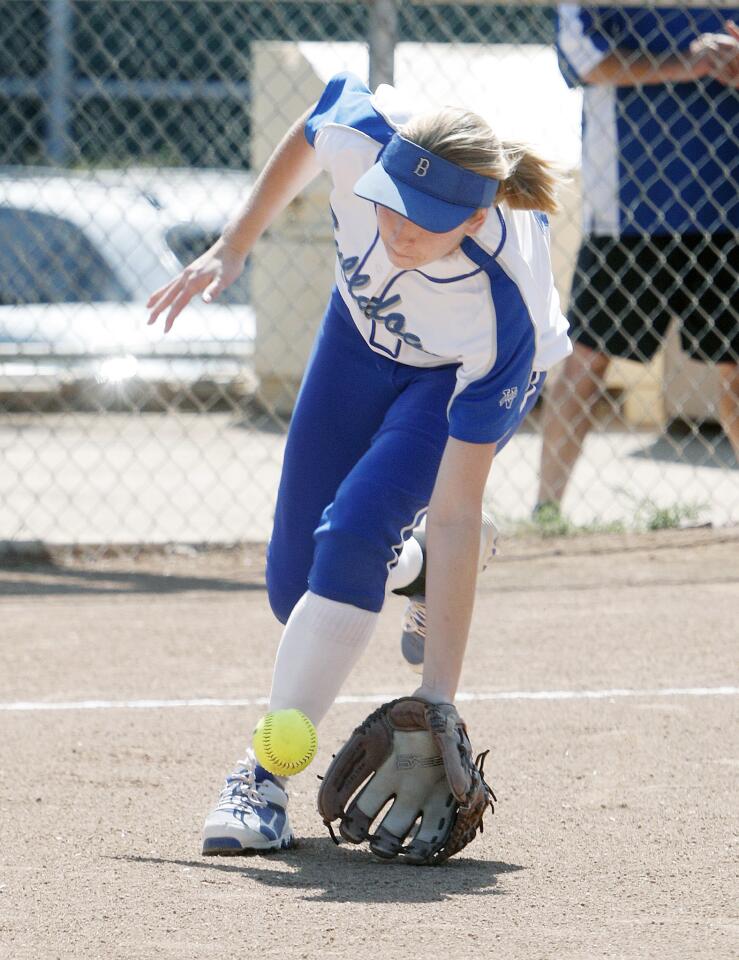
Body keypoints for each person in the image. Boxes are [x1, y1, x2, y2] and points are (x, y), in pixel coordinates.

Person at [147, 72, 571, 855]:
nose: (394, 230)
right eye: (388, 202)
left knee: (349, 537)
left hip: (450, 380)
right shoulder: (361, 137)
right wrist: (232, 245)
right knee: (293, 589)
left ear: (476, 217)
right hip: (355, 340)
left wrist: (436, 693)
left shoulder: (502, 306)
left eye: (424, 221)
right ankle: (408, 570)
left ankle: (262, 780)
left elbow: (455, 510)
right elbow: (310, 130)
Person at [537, 6, 739, 515]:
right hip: (629, 209)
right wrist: (690, 63)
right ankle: (545, 512)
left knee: (735, 371)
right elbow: (585, 62)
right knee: (586, 358)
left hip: (728, 202)